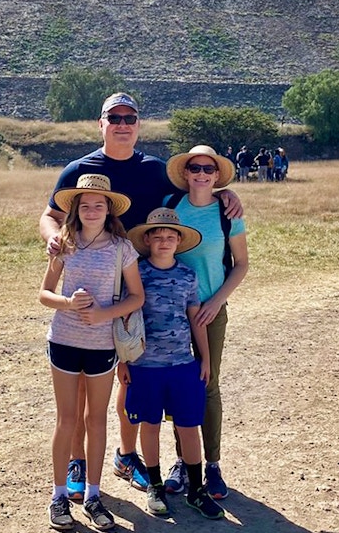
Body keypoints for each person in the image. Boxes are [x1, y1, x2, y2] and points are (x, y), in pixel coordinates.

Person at [39, 93, 244, 501]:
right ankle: (86, 460)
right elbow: (51, 216)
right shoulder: (79, 170)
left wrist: (225, 194)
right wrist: (55, 242)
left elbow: (193, 189)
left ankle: (137, 456)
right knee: (91, 385)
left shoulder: (154, 171)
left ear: (138, 124)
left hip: (143, 292)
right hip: (94, 291)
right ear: (100, 124)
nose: (122, 124)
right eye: (113, 117)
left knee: (135, 377)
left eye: (129, 117)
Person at [39, 173, 145, 531]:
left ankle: (94, 496)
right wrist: (68, 304)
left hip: (102, 345)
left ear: (109, 209)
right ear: (76, 210)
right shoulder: (63, 243)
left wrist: (103, 313)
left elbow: (136, 297)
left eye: (99, 204)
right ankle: (58, 497)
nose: (92, 210)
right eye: (85, 205)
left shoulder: (121, 247)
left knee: (95, 420)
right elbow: (44, 294)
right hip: (64, 341)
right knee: (66, 420)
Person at [122, 208, 225, 519]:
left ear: (179, 241)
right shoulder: (135, 274)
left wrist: (204, 358)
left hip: (182, 364)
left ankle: (196, 489)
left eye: (170, 237)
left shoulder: (187, 276)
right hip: (144, 365)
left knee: (189, 427)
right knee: (149, 425)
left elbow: (196, 319)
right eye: (158, 236)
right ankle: (154, 485)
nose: (164, 241)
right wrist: (122, 362)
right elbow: (123, 320)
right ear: (148, 240)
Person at [159, 145, 249, 500]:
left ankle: (212, 465)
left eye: (208, 169)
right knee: (176, 387)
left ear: (217, 175)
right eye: (195, 167)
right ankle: (182, 462)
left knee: (208, 386)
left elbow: (241, 263)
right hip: (171, 312)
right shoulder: (170, 206)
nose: (201, 174)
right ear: (185, 173)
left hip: (210, 310)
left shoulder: (228, 213)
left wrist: (216, 301)